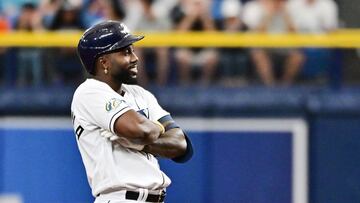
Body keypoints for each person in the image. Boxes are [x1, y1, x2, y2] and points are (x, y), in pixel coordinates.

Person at [71, 20, 193, 203]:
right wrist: (158, 129)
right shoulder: (89, 92)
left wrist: (143, 144)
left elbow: (181, 145)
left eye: (132, 50)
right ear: (104, 62)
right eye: (125, 52)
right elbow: (142, 130)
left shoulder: (140, 94)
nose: (134, 57)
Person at [242, 0, 305, 86]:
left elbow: (295, 33)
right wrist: (270, 14)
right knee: (258, 54)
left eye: (279, 1)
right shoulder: (258, 9)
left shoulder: (289, 9)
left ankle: (285, 84)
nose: (277, 3)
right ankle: (270, 85)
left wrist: (285, 15)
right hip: (266, 48)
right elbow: (259, 33)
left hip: (285, 48)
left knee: (298, 56)